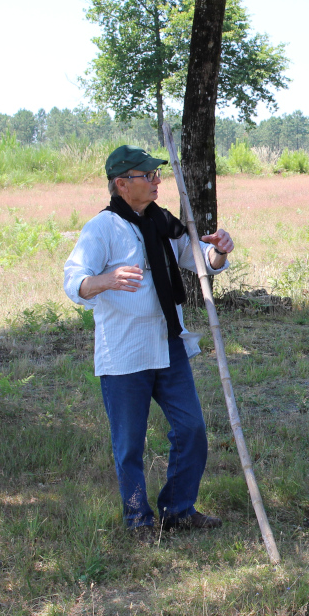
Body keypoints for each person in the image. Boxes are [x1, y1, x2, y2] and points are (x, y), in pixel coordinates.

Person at [64, 144, 233, 541]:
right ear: (122, 184)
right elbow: (73, 280)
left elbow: (200, 259)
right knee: (129, 443)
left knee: (191, 430)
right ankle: (138, 519)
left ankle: (177, 509)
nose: (158, 181)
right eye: (148, 175)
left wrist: (220, 252)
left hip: (168, 344)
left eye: (158, 174)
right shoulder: (101, 229)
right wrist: (104, 281)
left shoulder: (163, 222)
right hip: (124, 353)